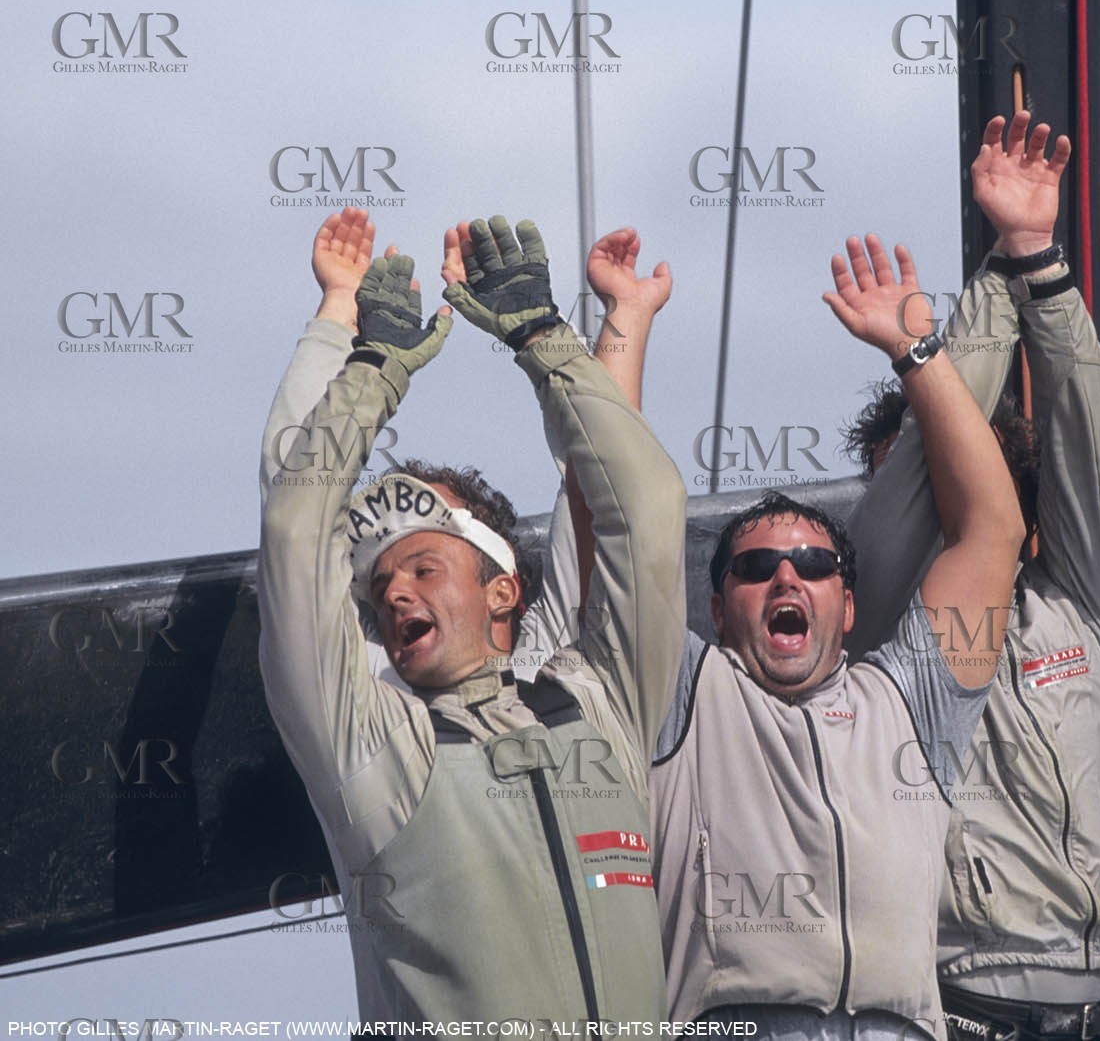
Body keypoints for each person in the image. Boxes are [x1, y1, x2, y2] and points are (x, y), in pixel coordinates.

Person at [258, 211, 685, 1026]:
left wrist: (542, 337)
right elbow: (293, 523)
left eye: (423, 564)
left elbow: (645, 505)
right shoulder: (370, 746)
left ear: (503, 590)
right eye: (380, 580)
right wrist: (365, 363)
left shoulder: (599, 701)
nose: (394, 594)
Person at [842, 111, 1100, 1039]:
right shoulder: (882, 623)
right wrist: (961, 325)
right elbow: (933, 456)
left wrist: (1036, 261)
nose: (952, 492)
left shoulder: (1073, 602)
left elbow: (1090, 434)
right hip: (953, 1003)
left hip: (1097, 1003)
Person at [647, 236, 1027, 1040]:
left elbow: (993, 529)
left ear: (848, 607)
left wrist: (914, 349)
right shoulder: (681, 696)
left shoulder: (911, 702)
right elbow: (621, 523)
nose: (787, 579)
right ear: (716, 611)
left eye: (814, 563)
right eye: (756, 567)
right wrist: (625, 325)